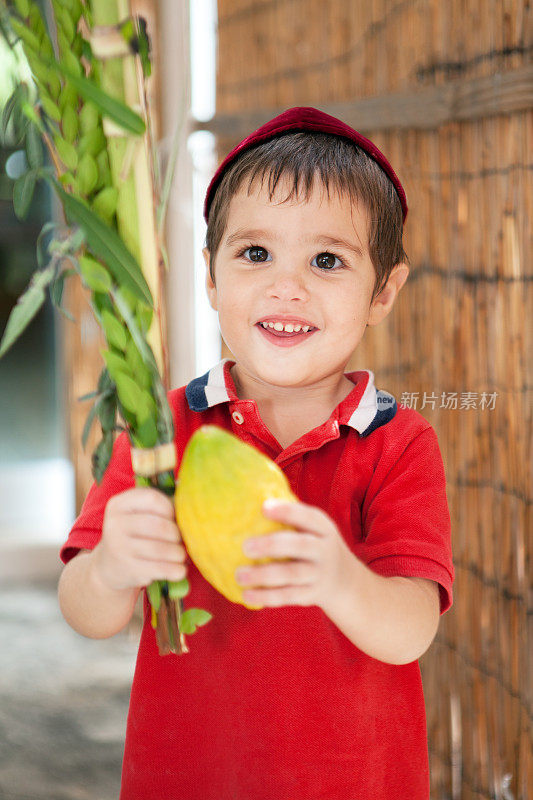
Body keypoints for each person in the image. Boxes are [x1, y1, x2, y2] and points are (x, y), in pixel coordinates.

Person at [58, 106, 454, 799]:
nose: (286, 285)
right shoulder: (162, 430)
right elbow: (87, 612)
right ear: (210, 276)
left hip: (352, 783)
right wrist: (111, 567)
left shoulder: (397, 441)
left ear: (382, 292)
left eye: (326, 260)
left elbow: (410, 631)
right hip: (186, 777)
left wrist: (340, 580)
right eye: (254, 253)